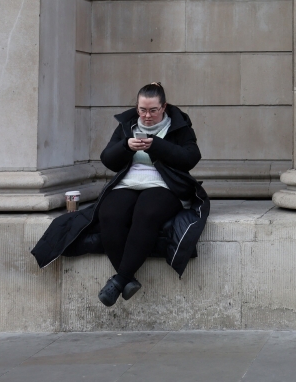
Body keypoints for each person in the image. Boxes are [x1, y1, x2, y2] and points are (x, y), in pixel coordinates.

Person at [31, 82, 210, 306]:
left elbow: (191, 157)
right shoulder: (128, 125)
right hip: (127, 182)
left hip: (165, 184)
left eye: (153, 110)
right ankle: (126, 279)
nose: (147, 116)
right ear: (137, 107)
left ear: (163, 107)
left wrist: (157, 146)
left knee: (146, 213)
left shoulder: (178, 125)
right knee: (109, 214)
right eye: (142, 110)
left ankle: (119, 281)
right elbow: (107, 159)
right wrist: (126, 146)